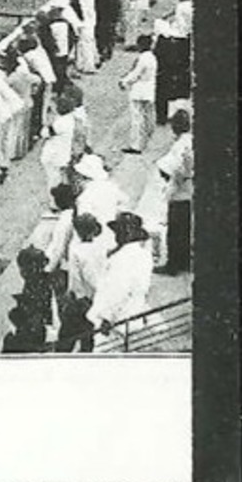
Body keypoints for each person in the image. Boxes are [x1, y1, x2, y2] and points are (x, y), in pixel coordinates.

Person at [88, 212, 156, 339]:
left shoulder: (122, 259)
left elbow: (118, 291)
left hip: (116, 321)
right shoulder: (144, 255)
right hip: (134, 313)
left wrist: (106, 319)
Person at [56, 213, 109, 353]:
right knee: (87, 335)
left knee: (67, 336)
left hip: (80, 299)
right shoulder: (100, 247)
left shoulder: (76, 249)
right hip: (89, 298)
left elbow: (88, 276)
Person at [156, 109, 193, 274]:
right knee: (185, 228)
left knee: (175, 229)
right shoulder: (191, 140)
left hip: (179, 189)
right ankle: (184, 261)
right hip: (190, 188)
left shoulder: (179, 145)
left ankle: (173, 265)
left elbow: (169, 168)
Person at [118, 34, 159, 154]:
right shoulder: (152, 58)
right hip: (149, 90)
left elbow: (135, 74)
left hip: (138, 91)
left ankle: (136, 145)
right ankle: (147, 141)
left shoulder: (142, 59)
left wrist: (124, 82)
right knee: (147, 117)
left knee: (137, 119)